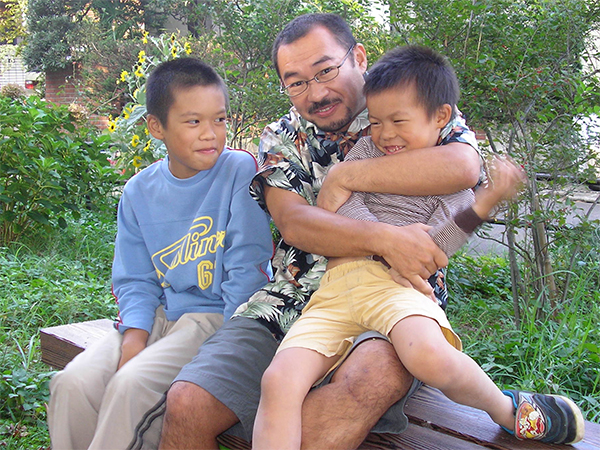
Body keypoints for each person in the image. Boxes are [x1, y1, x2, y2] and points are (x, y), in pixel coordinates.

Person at [134, 13, 480, 450]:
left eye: (326, 71)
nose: (316, 93)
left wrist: (348, 178)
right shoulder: (282, 136)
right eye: (296, 82)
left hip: (398, 299)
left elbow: (465, 165)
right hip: (294, 297)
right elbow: (296, 224)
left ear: (358, 57)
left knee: (357, 389)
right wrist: (383, 237)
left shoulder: (407, 96)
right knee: (187, 402)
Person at [252, 45, 585, 449]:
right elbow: (337, 202)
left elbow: (439, 245)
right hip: (336, 289)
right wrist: (387, 242)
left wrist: (485, 201)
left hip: (398, 287)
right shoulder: (367, 150)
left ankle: (508, 409)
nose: (385, 134)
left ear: (440, 118)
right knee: (279, 379)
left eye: (398, 121)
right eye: (375, 121)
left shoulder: (447, 177)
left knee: (429, 356)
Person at [46, 57, 274, 450]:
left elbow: (248, 269)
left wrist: (229, 347)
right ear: (157, 127)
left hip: (214, 320)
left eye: (218, 120)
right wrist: (135, 336)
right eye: (193, 122)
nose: (211, 134)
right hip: (156, 318)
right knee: (71, 384)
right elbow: (134, 277)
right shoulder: (138, 191)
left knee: (131, 387)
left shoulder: (238, 170)